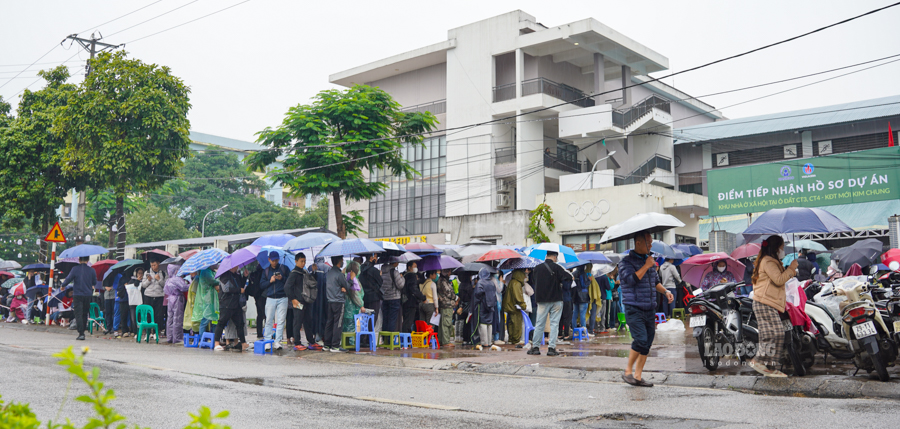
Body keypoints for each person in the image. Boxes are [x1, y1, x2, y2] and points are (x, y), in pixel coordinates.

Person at [619, 231, 674, 387]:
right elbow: (630, 280)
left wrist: (665, 291)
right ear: (638, 243)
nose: (651, 245)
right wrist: (646, 265)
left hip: (650, 308)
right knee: (641, 340)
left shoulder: (649, 261)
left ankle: (637, 376)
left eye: (651, 242)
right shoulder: (626, 262)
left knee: (647, 343)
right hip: (633, 308)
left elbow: (655, 282)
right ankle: (628, 371)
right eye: (648, 242)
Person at [749, 235, 798, 377]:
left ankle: (770, 367)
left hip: (766, 302)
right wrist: (791, 268)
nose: (783, 250)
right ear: (776, 247)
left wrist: (789, 269)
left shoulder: (771, 260)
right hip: (764, 302)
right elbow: (778, 280)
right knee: (776, 332)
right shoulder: (768, 261)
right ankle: (759, 361)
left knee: (770, 333)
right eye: (782, 247)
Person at [526, 251, 573, 356]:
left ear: (546, 256)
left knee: (539, 324)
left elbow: (533, 280)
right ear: (555, 257)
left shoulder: (537, 268)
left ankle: (536, 347)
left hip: (542, 300)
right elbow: (568, 278)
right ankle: (551, 348)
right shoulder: (558, 268)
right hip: (556, 300)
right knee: (554, 324)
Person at [285, 252, 322, 351]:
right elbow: (287, 287)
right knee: (297, 322)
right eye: (301, 261)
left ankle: (311, 342)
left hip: (307, 301)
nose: (303, 263)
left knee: (308, 322)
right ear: (296, 261)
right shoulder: (294, 274)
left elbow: (312, 283)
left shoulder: (305, 272)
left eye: (305, 261)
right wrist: (293, 299)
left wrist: (314, 272)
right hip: (298, 302)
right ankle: (297, 343)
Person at [59, 256, 98, 341]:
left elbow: (68, 278)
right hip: (87, 294)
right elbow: (94, 282)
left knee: (78, 313)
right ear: (88, 260)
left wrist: (63, 285)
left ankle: (81, 333)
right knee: (84, 313)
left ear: (79, 260)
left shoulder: (75, 269)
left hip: (77, 294)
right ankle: (83, 330)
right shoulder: (92, 270)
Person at [260, 252, 290, 349]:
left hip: (283, 297)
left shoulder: (284, 269)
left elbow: (289, 282)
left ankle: (278, 341)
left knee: (281, 321)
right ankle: (268, 341)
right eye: (273, 260)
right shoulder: (266, 271)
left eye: (276, 260)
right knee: (268, 320)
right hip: (270, 298)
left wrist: (282, 278)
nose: (275, 262)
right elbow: (261, 285)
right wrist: (270, 281)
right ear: (269, 260)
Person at [213, 266, 248, 351]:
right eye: (236, 266)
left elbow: (241, 286)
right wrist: (239, 290)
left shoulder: (237, 275)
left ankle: (243, 343)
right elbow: (226, 289)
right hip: (226, 304)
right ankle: (216, 343)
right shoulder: (224, 275)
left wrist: (245, 277)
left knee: (240, 324)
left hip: (236, 304)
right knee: (222, 322)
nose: (237, 268)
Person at [324, 255, 350, 352]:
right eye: (342, 260)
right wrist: (350, 279)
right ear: (339, 261)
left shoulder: (329, 272)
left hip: (330, 301)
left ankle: (327, 344)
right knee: (338, 324)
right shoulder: (339, 274)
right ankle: (335, 345)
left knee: (329, 323)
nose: (343, 261)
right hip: (338, 302)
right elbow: (346, 286)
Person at [472, 268, 500, 351]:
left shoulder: (480, 282)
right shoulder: (492, 283)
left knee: (483, 323)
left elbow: (477, 293)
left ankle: (484, 342)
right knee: (489, 323)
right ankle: (489, 341)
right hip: (491, 306)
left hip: (482, 306)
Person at [163, 264, 189, 344]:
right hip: (177, 298)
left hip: (170, 299)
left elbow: (165, 290)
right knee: (177, 318)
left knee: (170, 318)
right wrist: (190, 284)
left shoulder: (169, 280)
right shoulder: (177, 279)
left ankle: (170, 337)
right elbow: (184, 287)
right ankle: (177, 338)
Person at [141, 260, 167, 340]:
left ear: (158, 264)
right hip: (148, 296)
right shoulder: (147, 272)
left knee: (158, 315)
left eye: (154, 265)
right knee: (148, 315)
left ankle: (156, 332)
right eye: (151, 265)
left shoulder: (163, 273)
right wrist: (148, 280)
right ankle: (148, 333)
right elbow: (143, 285)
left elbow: (165, 285)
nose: (153, 267)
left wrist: (159, 279)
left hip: (159, 296)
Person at [190, 269, 220, 337]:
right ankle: (201, 338)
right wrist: (221, 281)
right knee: (205, 320)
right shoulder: (205, 271)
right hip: (207, 299)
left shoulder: (210, 271)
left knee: (214, 320)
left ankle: (215, 339)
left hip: (212, 299)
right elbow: (213, 281)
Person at [502, 268, 527, 346]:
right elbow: (518, 296)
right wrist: (523, 305)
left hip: (510, 306)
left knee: (511, 323)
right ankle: (515, 339)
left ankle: (511, 338)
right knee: (516, 323)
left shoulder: (512, 282)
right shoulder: (516, 284)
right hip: (515, 307)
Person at [341, 261, 366, 339]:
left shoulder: (344, 278)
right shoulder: (354, 281)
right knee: (352, 328)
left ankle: (345, 343)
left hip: (346, 308)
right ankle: (351, 345)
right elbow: (355, 295)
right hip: (352, 309)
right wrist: (361, 305)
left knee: (346, 328)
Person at [359, 254, 383, 333]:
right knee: (372, 318)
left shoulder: (360, 269)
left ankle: (363, 338)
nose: (376, 259)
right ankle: (368, 338)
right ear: (371, 258)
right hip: (374, 297)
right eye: (375, 257)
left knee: (364, 318)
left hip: (363, 297)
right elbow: (380, 282)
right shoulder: (374, 270)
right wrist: (380, 275)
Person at [380, 257, 405, 333]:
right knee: (392, 319)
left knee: (385, 318)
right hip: (394, 298)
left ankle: (385, 338)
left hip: (385, 298)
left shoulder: (382, 272)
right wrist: (402, 278)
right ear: (394, 263)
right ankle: (390, 339)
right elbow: (400, 285)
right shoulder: (394, 272)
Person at [401, 262, 425, 333]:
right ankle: (407, 339)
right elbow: (413, 289)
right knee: (409, 321)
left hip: (405, 301)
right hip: (411, 301)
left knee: (406, 320)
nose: (416, 268)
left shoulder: (404, 275)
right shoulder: (412, 276)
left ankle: (406, 338)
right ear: (409, 267)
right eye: (415, 266)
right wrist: (422, 297)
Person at [436, 268, 457, 348]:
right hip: (447, 304)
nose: (450, 273)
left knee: (443, 323)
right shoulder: (443, 281)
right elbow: (449, 293)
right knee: (446, 323)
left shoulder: (441, 280)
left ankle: (441, 340)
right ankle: (445, 341)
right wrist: (454, 295)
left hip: (444, 304)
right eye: (448, 271)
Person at [246, 265, 266, 338]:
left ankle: (259, 333)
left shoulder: (253, 273)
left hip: (256, 296)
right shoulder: (265, 272)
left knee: (260, 315)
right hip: (264, 295)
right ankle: (267, 332)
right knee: (266, 315)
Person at [126, 268, 145, 340]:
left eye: (141, 273)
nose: (140, 275)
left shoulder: (144, 281)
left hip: (141, 301)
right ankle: (135, 332)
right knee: (133, 318)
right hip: (133, 302)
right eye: (139, 273)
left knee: (142, 318)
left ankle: (142, 331)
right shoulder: (132, 280)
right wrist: (137, 280)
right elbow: (135, 285)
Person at [572, 266, 591, 332]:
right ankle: (584, 330)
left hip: (575, 296)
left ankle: (574, 329)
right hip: (583, 297)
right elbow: (584, 285)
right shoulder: (584, 274)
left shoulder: (573, 273)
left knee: (574, 314)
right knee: (582, 314)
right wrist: (589, 280)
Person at [587, 265, 604, 334]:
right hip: (592, 299)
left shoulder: (580, 274)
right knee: (593, 314)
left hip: (584, 298)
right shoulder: (591, 276)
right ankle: (591, 330)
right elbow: (594, 288)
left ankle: (583, 330)